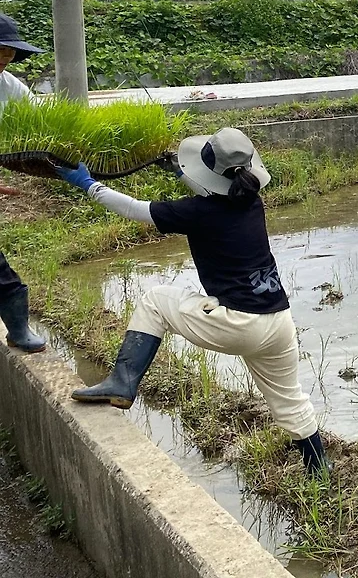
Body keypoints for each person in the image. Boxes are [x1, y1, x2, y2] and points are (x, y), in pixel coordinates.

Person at [55, 128, 329, 476]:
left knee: (155, 301)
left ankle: (122, 382)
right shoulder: (251, 200)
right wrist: (181, 174)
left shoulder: (198, 212)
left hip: (238, 323)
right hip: (278, 321)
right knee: (289, 399)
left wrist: (89, 185)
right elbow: (219, 189)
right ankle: (319, 470)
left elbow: (135, 209)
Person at [0, 14, 47, 354]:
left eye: (10, 52)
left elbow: (42, 120)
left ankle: (18, 328)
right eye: (0, 49)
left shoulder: (9, 85)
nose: (6, 57)